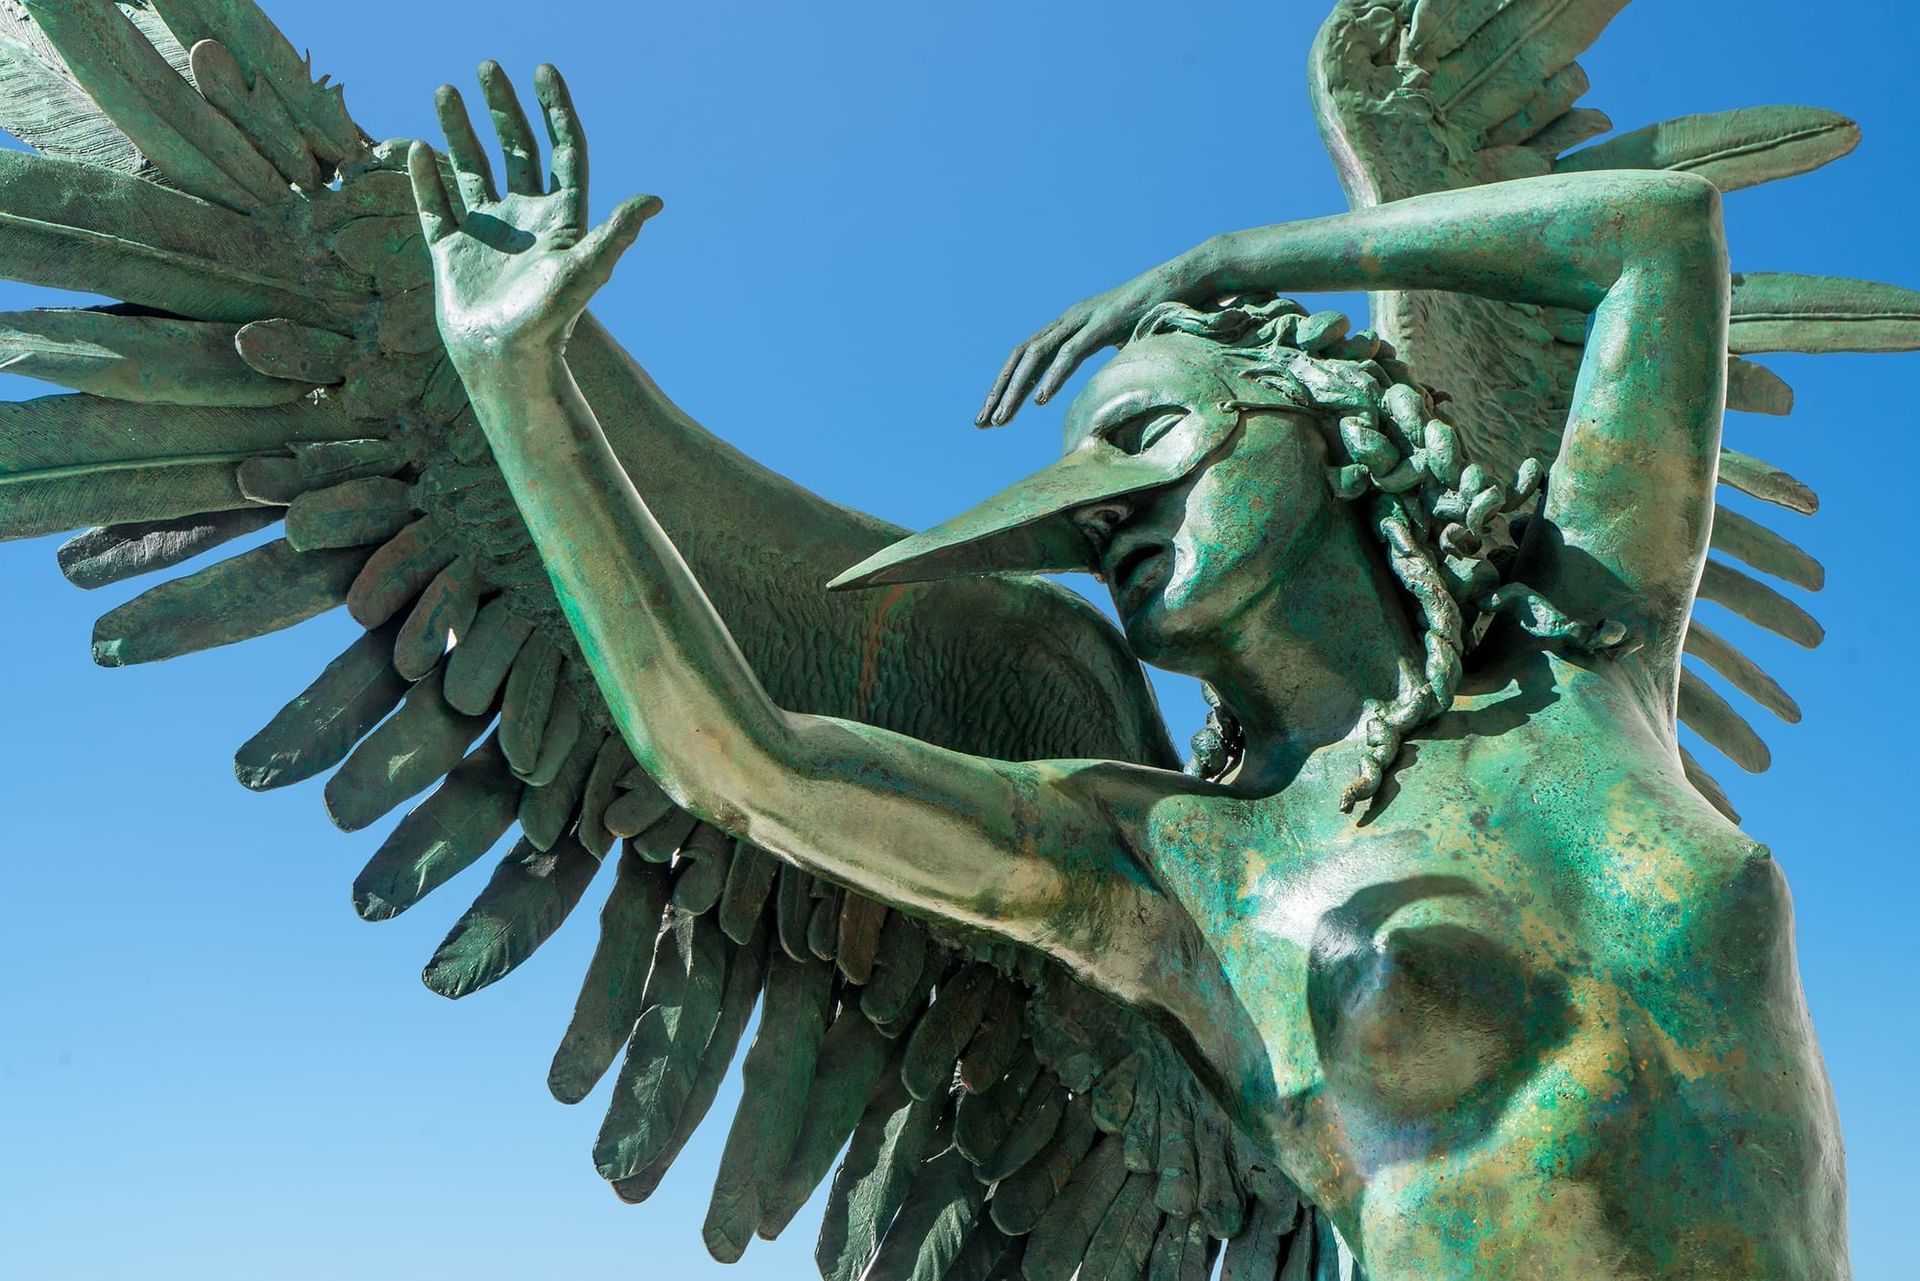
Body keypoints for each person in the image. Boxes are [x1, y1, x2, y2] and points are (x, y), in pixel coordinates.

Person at [410, 62, 1845, 1279]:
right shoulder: (1169, 858)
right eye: (1088, 515)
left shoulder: (1584, 647)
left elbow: (1659, 233)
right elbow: (747, 764)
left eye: (1146, 437)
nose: (1106, 513)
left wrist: (1224, 265)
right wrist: (513, 384)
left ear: (1320, 417)